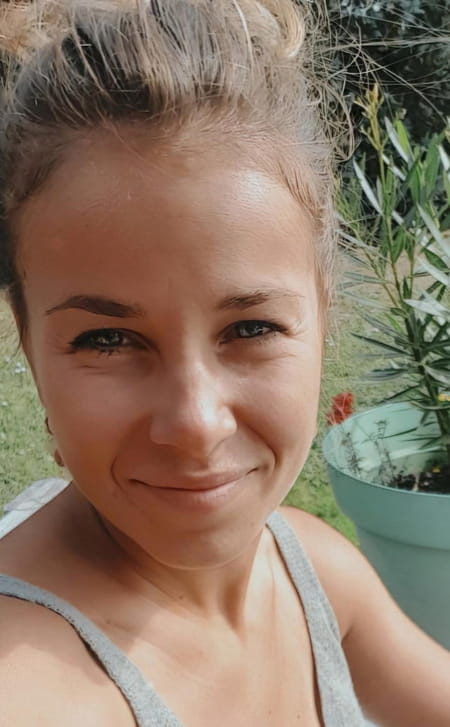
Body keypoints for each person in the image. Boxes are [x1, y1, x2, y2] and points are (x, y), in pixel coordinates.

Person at [0, 1, 449, 725]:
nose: (195, 424)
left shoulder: (310, 567)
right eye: (106, 340)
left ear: (322, 319)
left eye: (250, 327)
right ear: (29, 346)